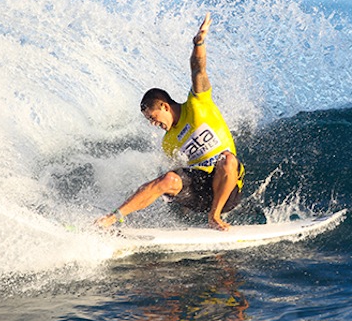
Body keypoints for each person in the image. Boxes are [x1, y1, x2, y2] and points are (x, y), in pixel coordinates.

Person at [95, 13, 244, 231]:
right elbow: (178, 180)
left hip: (228, 190)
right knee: (167, 179)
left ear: (164, 106)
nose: (153, 124)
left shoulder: (197, 105)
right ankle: (112, 218)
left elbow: (198, 69)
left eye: (152, 118)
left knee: (227, 160)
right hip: (200, 192)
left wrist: (199, 43)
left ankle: (215, 216)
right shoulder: (168, 142)